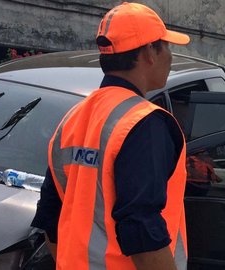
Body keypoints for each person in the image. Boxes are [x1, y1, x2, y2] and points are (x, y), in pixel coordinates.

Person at [30, 2, 190, 269]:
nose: (171, 57)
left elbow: (50, 217)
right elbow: (142, 229)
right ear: (150, 52)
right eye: (167, 46)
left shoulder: (72, 119)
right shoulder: (145, 123)